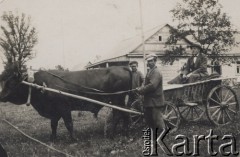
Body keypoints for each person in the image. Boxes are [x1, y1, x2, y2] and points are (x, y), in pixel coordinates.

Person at [136, 53, 165, 155]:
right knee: (150, 123)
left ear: (155, 61)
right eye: (148, 61)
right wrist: (140, 89)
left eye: (151, 60)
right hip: (149, 102)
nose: (149, 62)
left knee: (158, 124)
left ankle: (159, 142)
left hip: (155, 102)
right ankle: (154, 142)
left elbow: (152, 86)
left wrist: (141, 90)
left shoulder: (156, 72)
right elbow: (147, 84)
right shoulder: (150, 72)